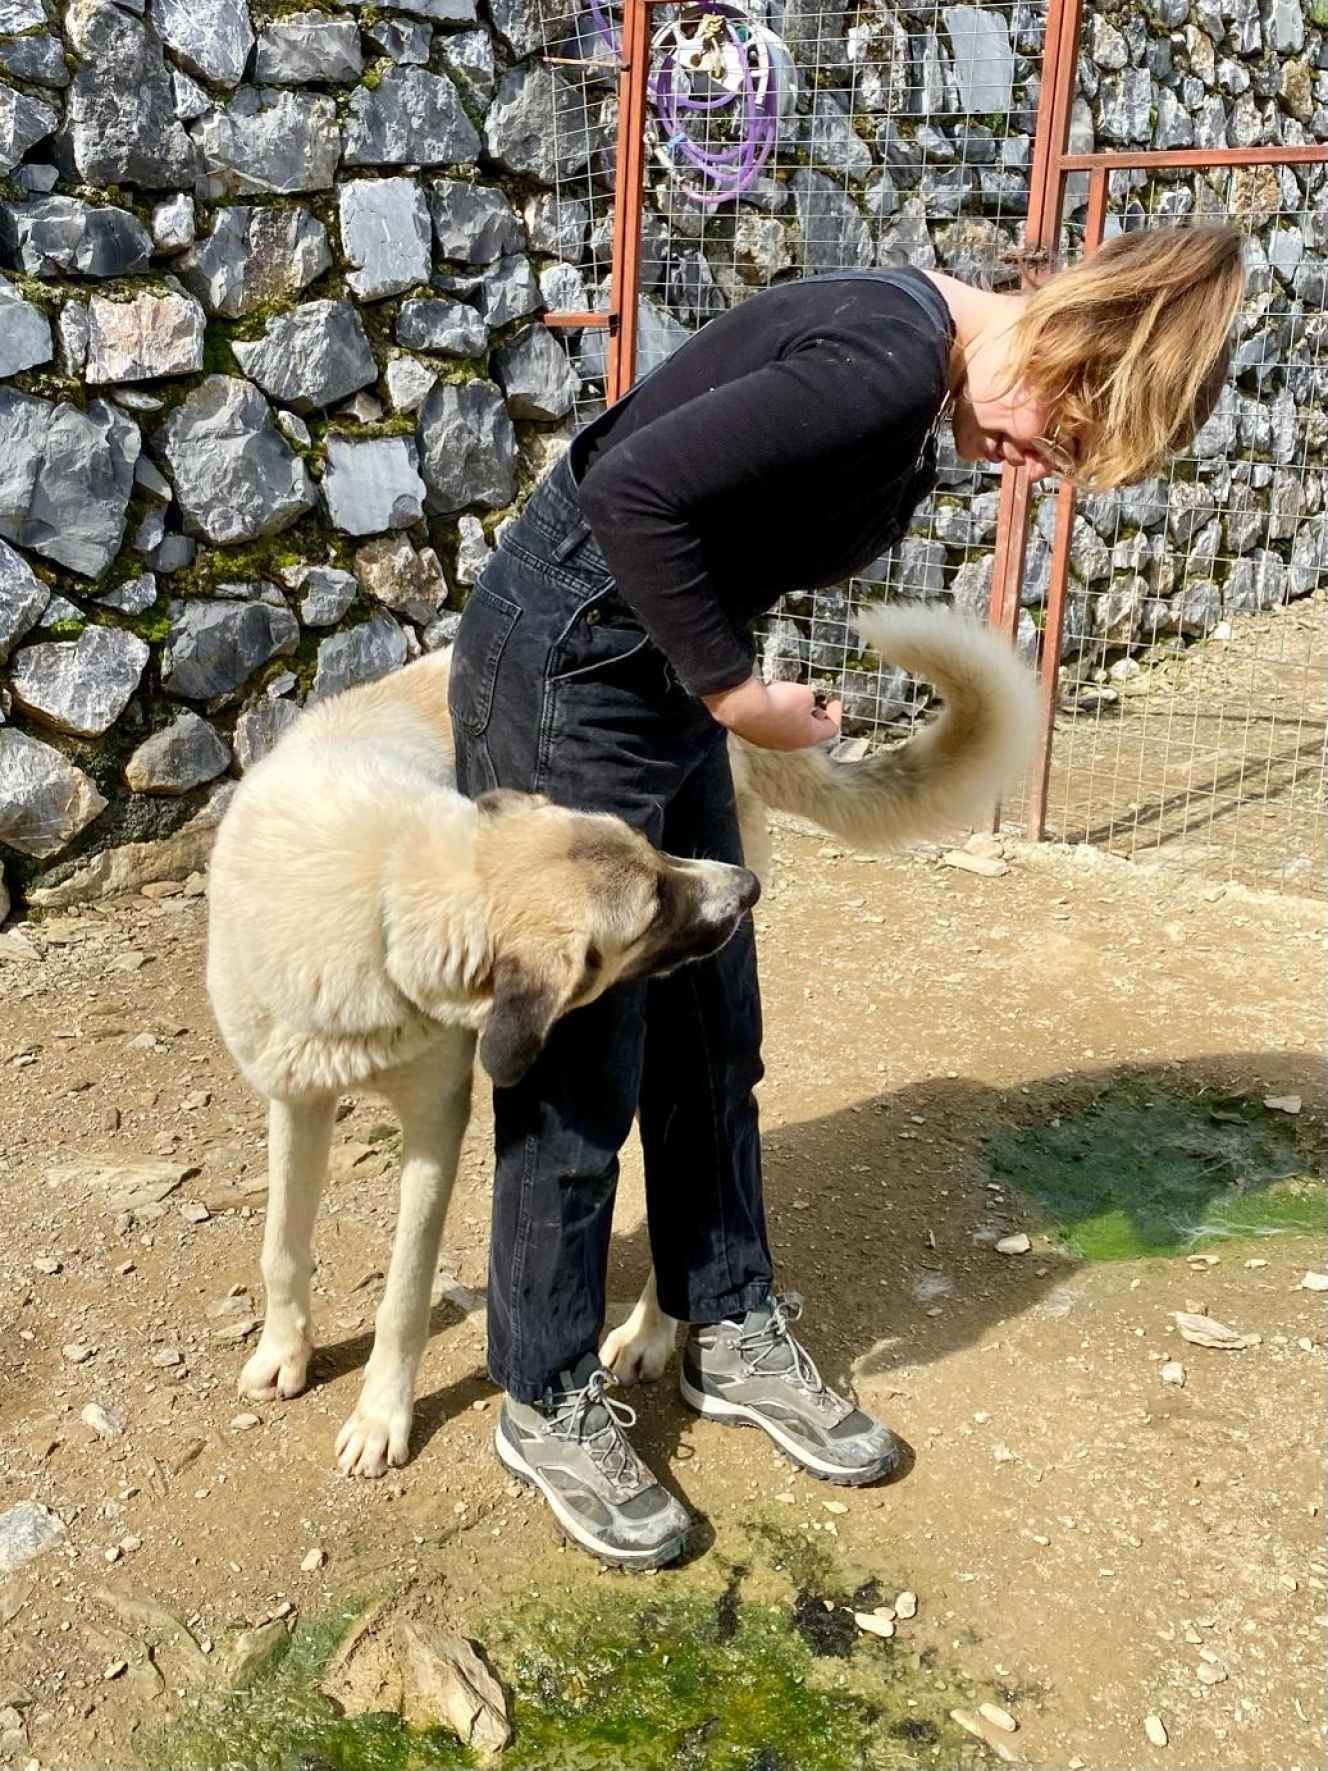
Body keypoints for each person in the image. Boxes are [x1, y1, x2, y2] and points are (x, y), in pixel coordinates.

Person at [448, 224, 1245, 1567]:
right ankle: (545, 1395)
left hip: (649, 682)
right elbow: (633, 495)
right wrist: (739, 693)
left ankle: (727, 1323)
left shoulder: (916, 377)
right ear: (1066, 336)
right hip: (571, 675)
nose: (1036, 467)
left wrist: (719, 692)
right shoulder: (884, 361)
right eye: (1063, 431)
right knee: (582, 1054)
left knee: (711, 1024)